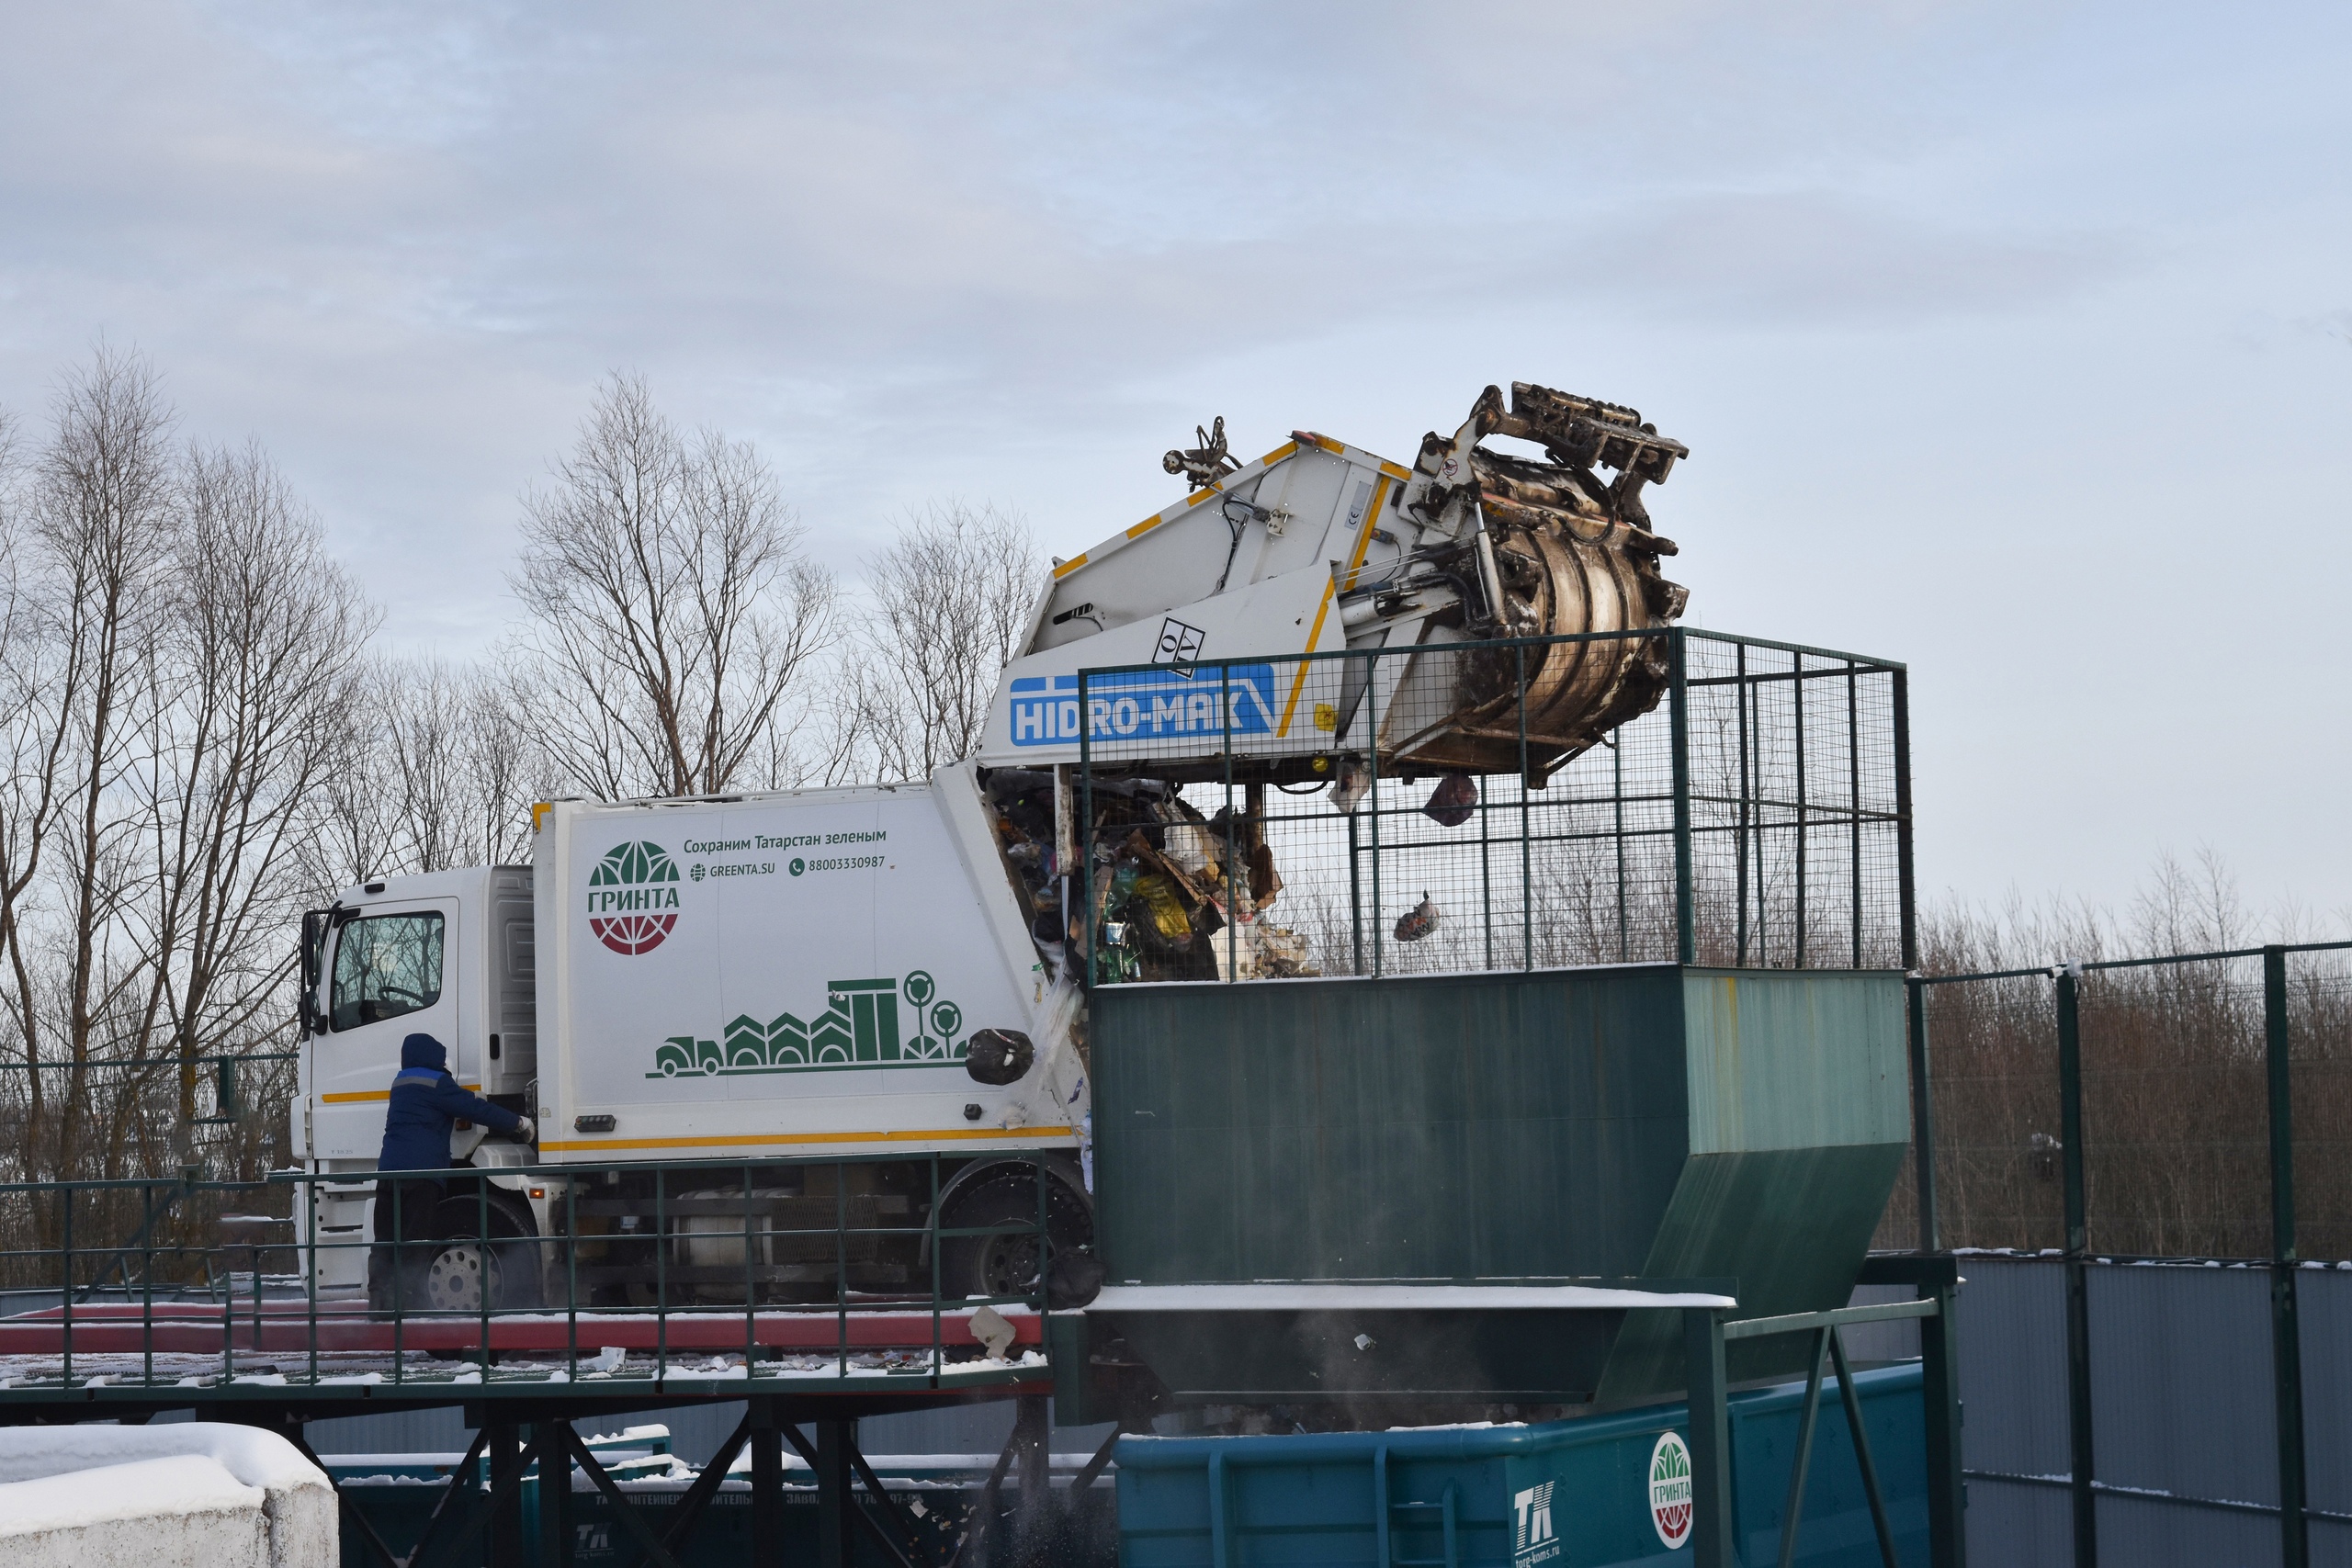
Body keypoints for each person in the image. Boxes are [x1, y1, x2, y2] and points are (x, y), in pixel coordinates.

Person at [368, 1032, 534, 1309]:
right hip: (421, 1175)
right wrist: (517, 1123)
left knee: (385, 1240)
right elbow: (474, 1108)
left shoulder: (400, 1083)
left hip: (388, 1174)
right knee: (415, 1239)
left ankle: (379, 1303)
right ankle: (409, 1305)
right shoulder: (437, 1083)